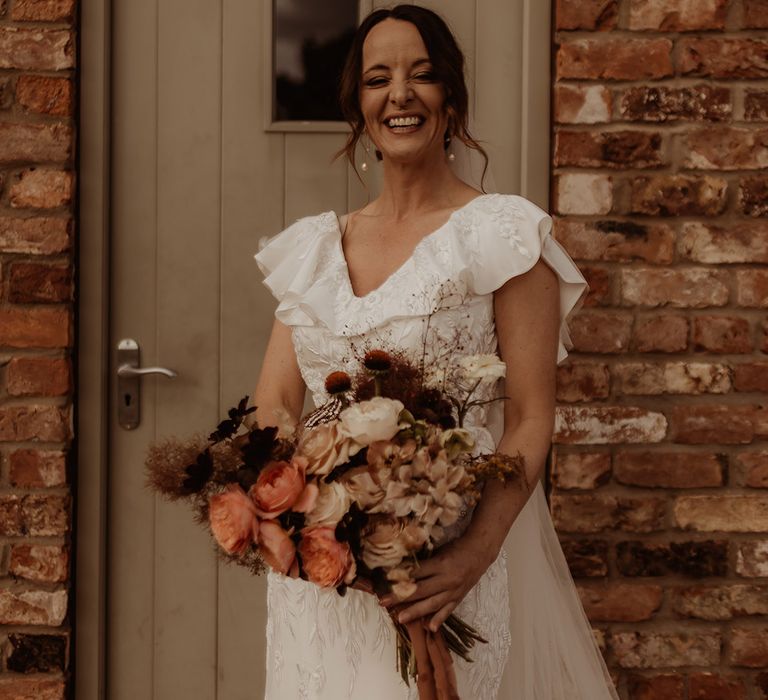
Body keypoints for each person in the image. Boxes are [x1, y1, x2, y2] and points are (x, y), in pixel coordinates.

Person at [253, 5, 620, 699]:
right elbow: (274, 398)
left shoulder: (501, 236)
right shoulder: (313, 251)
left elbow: (530, 417)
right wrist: (297, 508)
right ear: (357, 106)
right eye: (378, 79)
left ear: (450, 98)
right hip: (321, 580)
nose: (400, 94)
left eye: (423, 75)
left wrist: (472, 558)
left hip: (446, 571)